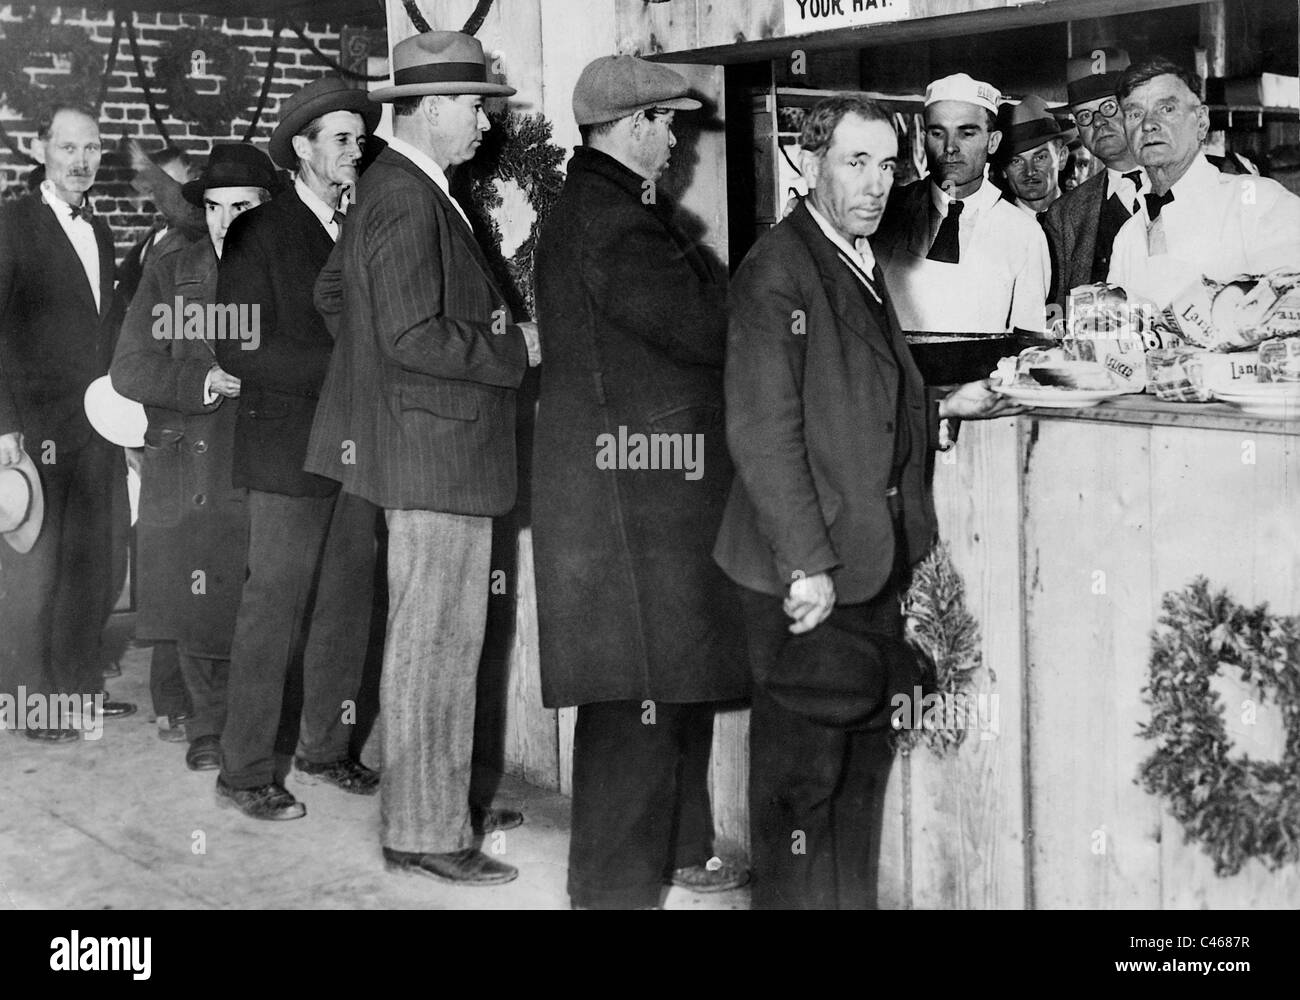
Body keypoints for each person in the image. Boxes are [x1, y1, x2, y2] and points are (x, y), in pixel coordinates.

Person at [714, 94, 1019, 909]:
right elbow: (763, 430)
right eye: (856, 162)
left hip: (867, 561)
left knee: (857, 775)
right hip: (807, 573)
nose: (877, 184)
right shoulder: (778, 268)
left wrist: (943, 407)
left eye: (888, 166)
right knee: (801, 789)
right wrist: (806, 565)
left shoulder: (852, 256)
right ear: (808, 163)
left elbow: (868, 394)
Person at [304, 31, 539, 885]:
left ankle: (438, 794)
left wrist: (380, 391)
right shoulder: (407, 195)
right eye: (476, 104)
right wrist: (514, 349)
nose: (484, 121)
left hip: (423, 443)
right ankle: (426, 828)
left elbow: (337, 293)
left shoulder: (400, 186)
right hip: (437, 452)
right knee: (435, 642)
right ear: (432, 107)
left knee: (432, 636)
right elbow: (410, 332)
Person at [532, 54, 750, 910]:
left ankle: (675, 852)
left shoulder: (609, 210)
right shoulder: (613, 224)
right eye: (667, 123)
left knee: (665, 689)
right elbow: (699, 330)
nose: (677, 140)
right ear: (632, 128)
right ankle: (611, 895)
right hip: (630, 508)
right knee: (635, 707)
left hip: (639, 498)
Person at [213, 78, 383, 821]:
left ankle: (325, 748)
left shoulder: (363, 224)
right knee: (272, 608)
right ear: (302, 150)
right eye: (341, 138)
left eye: (359, 136)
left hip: (354, 452)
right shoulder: (261, 229)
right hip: (288, 450)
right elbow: (239, 343)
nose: (356, 149)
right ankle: (245, 770)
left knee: (347, 603)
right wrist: (347, 373)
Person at [111, 144, 274, 771]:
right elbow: (129, 367)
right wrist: (201, 383)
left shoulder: (300, 265)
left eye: (242, 207)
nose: (225, 221)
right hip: (195, 457)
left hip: (268, 450)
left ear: (268, 207)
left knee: (260, 594)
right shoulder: (171, 270)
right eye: (212, 207)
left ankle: (257, 719)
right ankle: (209, 725)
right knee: (200, 598)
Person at [0, 106, 134, 740]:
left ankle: (78, 688)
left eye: (93, 149)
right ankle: (31, 703)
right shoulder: (12, 224)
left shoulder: (100, 230)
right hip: (36, 430)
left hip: (96, 427)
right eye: (68, 148)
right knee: (37, 569)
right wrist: (3, 425)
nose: (82, 161)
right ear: (40, 150)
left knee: (97, 563)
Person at [1108, 55, 1300, 308]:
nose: (1148, 124)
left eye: (1166, 109)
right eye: (1134, 114)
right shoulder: (1128, 234)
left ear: (1201, 121)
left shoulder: (1257, 202)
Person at [875, 73, 1050, 333]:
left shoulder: (1023, 234)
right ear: (924, 139)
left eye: (966, 133)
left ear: (993, 142)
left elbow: (1027, 342)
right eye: (937, 133)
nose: (950, 148)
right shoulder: (885, 214)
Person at [1042, 48, 1147, 310]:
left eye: (1109, 107)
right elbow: (1056, 310)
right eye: (1085, 115)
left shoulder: (1186, 185)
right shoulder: (1065, 214)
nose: (1098, 122)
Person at [118, 143, 204, 303]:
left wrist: (144, 164)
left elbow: (185, 213)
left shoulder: (203, 228)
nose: (162, 194)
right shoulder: (153, 235)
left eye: (172, 185)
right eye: (156, 188)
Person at [1000, 95, 1070, 218]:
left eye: (1040, 158)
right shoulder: (991, 227)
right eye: (1016, 161)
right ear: (1003, 170)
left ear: (1062, 157)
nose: (1030, 172)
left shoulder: (1088, 218)